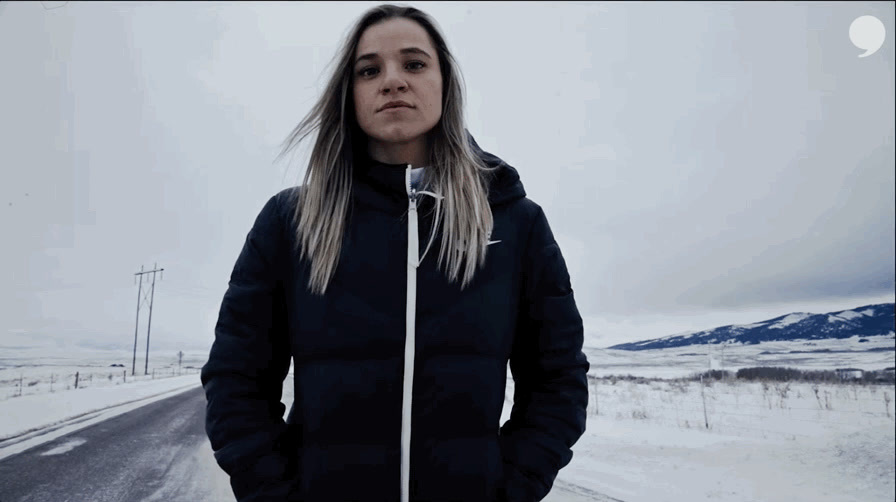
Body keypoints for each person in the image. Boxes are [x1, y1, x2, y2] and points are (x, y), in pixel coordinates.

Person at [201, 4, 590, 502]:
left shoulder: (515, 223)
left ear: (445, 82)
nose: (392, 81)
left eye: (414, 63)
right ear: (350, 92)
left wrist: (509, 488)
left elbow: (557, 380)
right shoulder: (290, 222)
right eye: (369, 70)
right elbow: (236, 381)